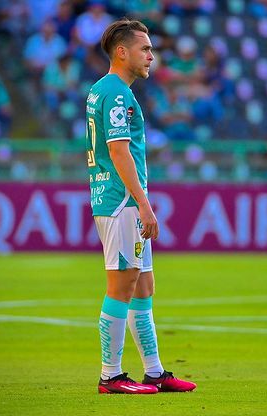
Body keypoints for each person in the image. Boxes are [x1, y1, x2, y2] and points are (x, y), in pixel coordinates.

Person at [85, 18, 196, 394]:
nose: (152, 55)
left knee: (143, 285)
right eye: (145, 48)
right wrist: (145, 205)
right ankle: (110, 375)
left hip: (119, 200)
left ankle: (154, 371)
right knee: (122, 284)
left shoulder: (104, 90)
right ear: (122, 51)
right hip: (122, 202)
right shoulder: (116, 93)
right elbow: (118, 151)